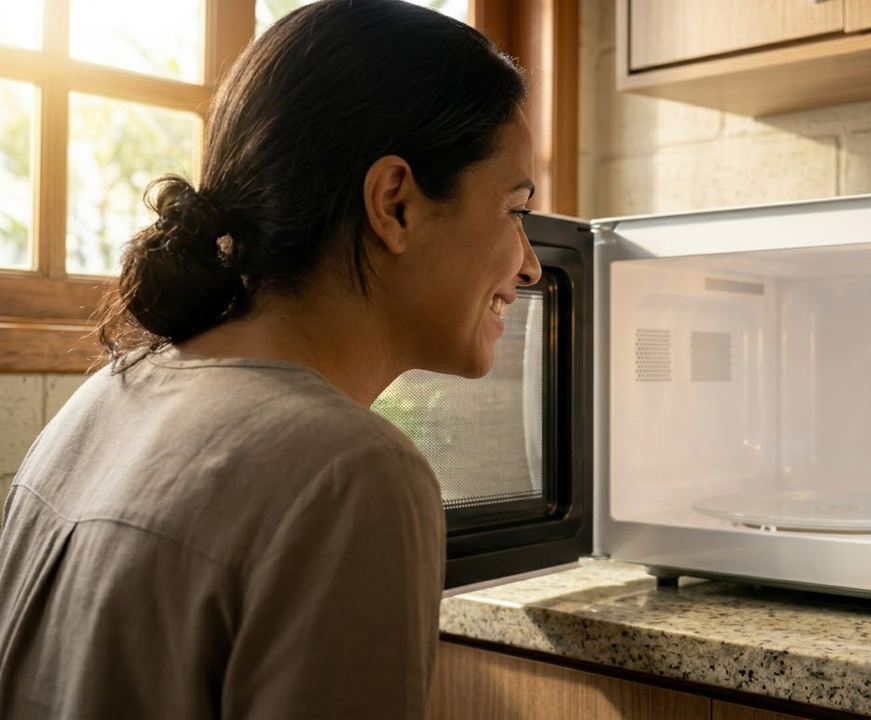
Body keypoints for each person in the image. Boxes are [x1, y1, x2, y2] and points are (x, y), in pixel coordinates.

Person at [0, 0, 539, 717]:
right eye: (517, 211)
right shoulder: (353, 473)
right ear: (395, 203)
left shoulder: (110, 393)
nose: (529, 266)